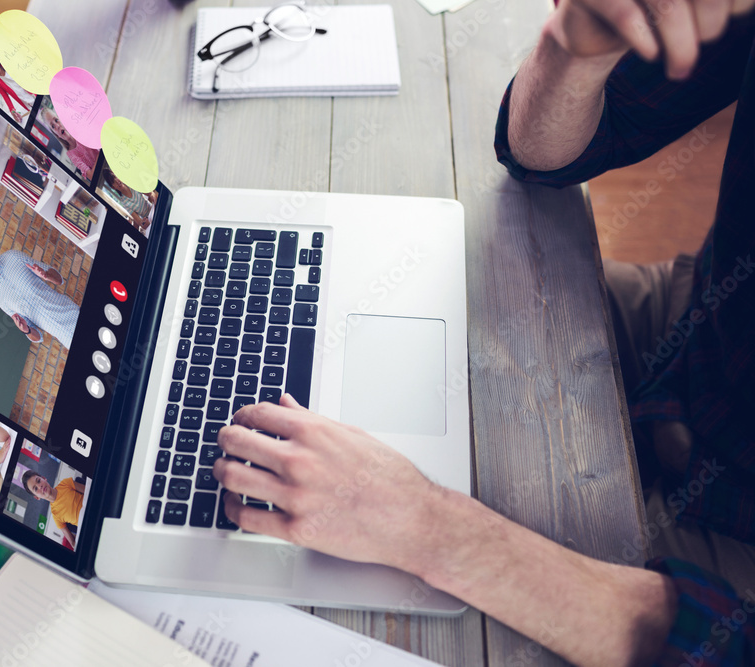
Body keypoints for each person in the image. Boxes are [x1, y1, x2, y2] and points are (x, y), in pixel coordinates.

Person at [212, 1, 755, 664]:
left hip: (729, 556)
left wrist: (429, 527)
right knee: (365, 295)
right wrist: (577, 47)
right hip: (695, 334)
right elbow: (541, 151)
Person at [0, 236, 78, 350]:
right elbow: (38, 336)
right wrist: (26, 330)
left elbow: (59, 279)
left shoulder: (13, 256)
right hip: (66, 339)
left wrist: (46, 275)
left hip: (72, 314)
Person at [22, 472, 85, 548]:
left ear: (44, 478)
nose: (40, 486)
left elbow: (89, 491)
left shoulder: (66, 483)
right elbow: (73, 543)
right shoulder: (56, 515)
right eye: (35, 488)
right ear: (37, 497)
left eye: (38, 481)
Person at [40, 107, 99, 182]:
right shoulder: (71, 154)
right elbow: (91, 176)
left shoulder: (80, 129)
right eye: (53, 126)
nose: (57, 126)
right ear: (56, 134)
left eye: (56, 120)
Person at [100, 170, 156, 235]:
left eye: (115, 176)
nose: (117, 181)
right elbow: (139, 222)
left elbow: (150, 194)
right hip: (149, 219)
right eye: (113, 181)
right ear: (113, 187)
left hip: (153, 208)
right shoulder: (124, 202)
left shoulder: (131, 184)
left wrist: (153, 196)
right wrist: (143, 223)